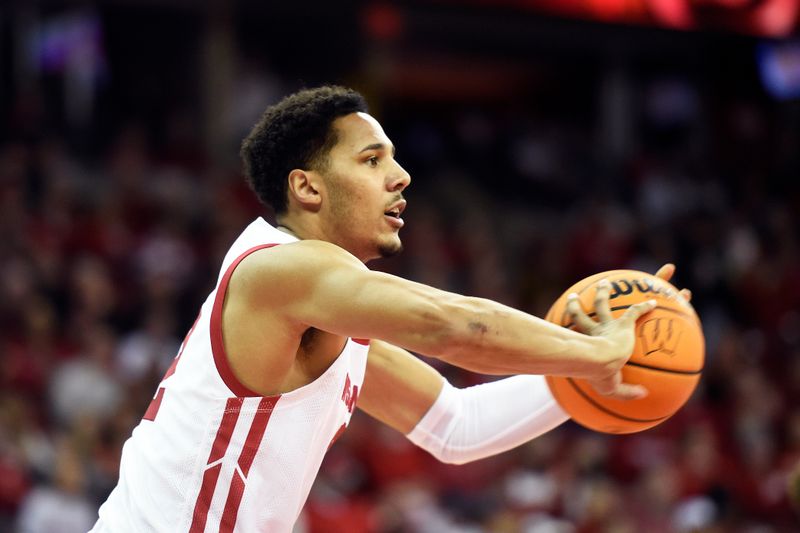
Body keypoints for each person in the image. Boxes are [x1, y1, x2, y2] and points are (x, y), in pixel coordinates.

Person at [91, 85, 689, 532]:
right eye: (372, 160)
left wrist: (602, 374)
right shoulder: (279, 268)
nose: (401, 177)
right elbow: (455, 326)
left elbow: (456, 426)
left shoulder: (321, 317)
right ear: (307, 187)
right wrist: (594, 350)